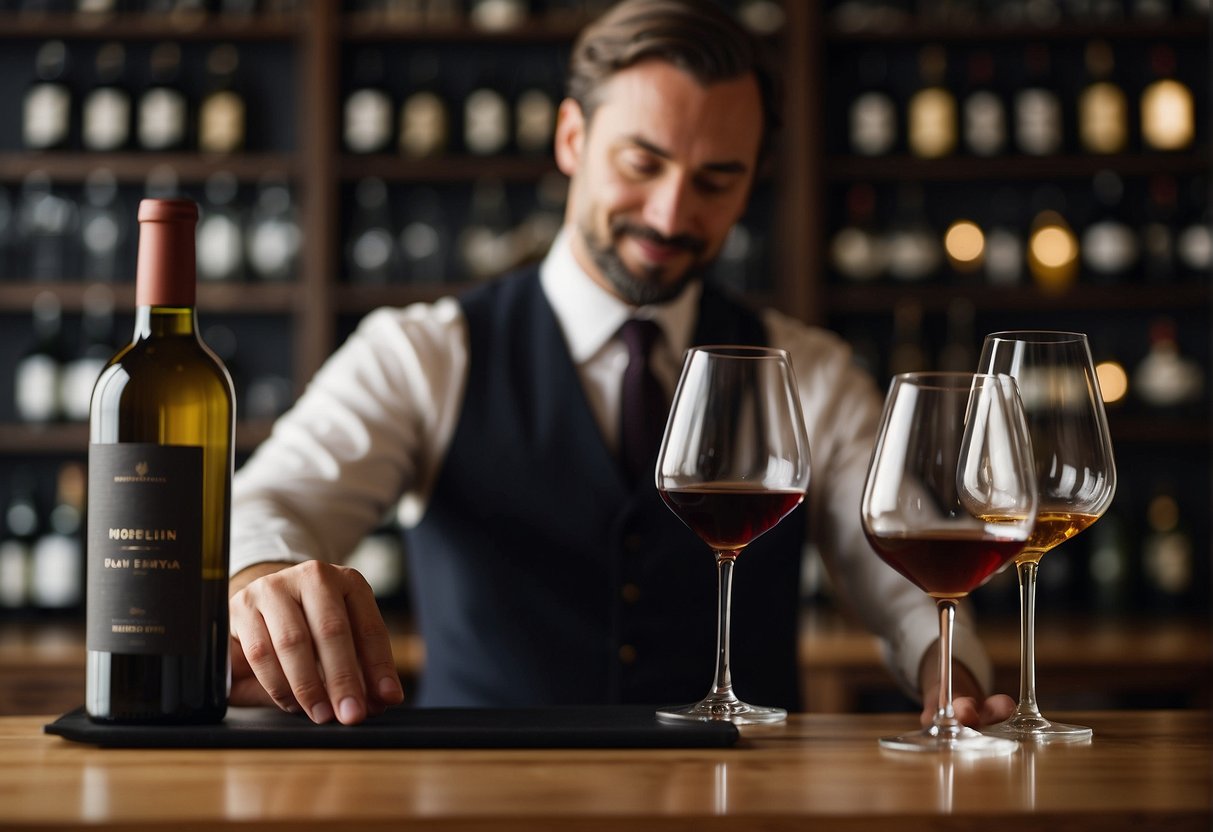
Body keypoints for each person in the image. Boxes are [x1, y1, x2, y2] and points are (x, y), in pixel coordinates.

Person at [227, 0, 1014, 728]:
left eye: (716, 179)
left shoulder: (809, 371)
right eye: (642, 163)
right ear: (572, 139)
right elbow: (271, 497)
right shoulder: (424, 352)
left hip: (743, 803)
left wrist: (947, 663)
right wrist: (262, 575)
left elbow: (899, 567)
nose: (672, 213)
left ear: (752, 183)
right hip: (481, 799)